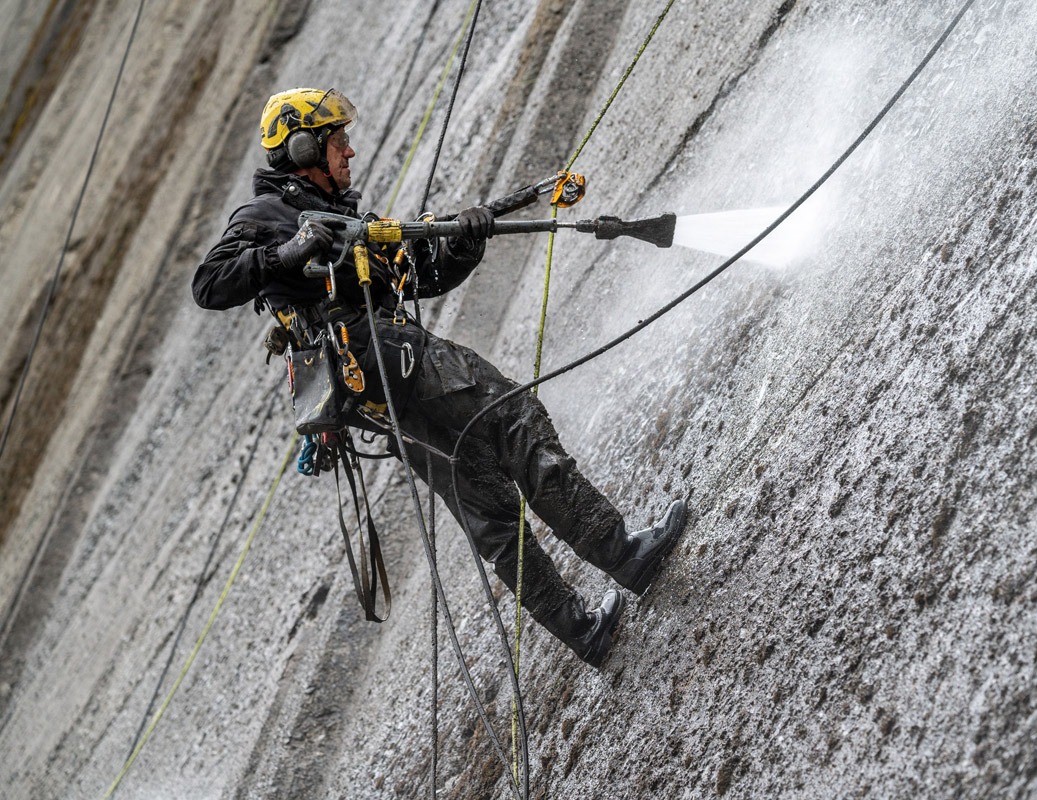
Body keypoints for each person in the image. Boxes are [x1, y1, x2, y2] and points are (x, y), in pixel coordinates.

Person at [193, 88, 687, 667]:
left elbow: (417, 278)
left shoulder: (347, 218)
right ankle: (625, 555)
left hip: (378, 392)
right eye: (337, 141)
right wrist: (290, 251)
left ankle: (583, 631)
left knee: (485, 499)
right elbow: (209, 284)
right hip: (382, 358)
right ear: (303, 148)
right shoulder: (264, 218)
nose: (349, 152)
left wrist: (464, 243)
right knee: (513, 419)